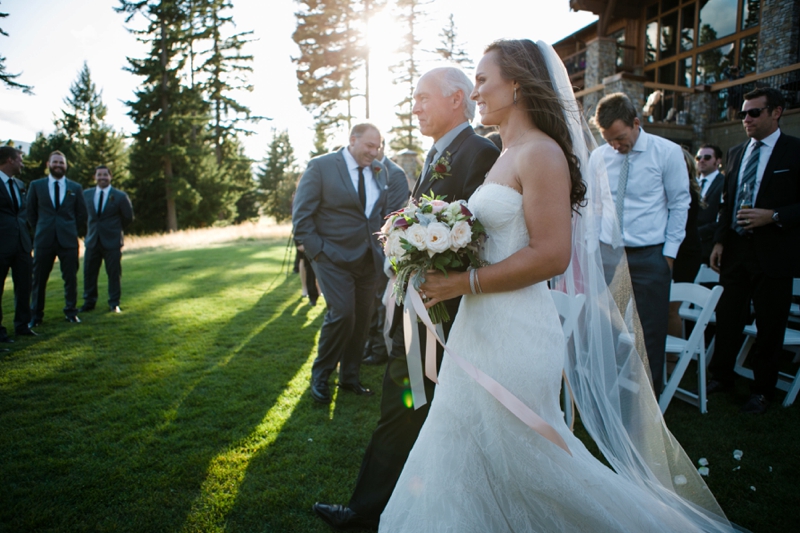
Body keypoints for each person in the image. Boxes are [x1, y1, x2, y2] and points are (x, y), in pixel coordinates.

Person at [379, 39, 736, 533]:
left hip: (515, 335)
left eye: (483, 80)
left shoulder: (542, 153)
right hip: (479, 328)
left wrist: (464, 280)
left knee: (532, 464)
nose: (476, 90)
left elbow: (552, 255)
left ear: (518, 84)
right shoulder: (506, 153)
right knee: (462, 449)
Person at [312, 67, 499, 530]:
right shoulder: (440, 153)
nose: (414, 107)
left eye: (422, 98)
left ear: (457, 99)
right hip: (417, 307)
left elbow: (481, 235)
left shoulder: (479, 153)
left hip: (444, 315)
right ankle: (402, 506)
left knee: (404, 407)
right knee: (411, 408)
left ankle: (365, 511)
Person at [708, 87, 800, 414]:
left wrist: (773, 216)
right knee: (728, 318)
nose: (746, 118)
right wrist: (719, 241)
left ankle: (762, 391)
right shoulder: (735, 153)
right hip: (735, 250)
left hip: (773, 253)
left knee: (769, 326)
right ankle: (721, 377)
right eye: (743, 113)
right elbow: (725, 203)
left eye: (754, 112)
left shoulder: (794, 151)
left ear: (776, 112)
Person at [591, 92, 690, 396]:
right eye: (609, 140)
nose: (615, 146)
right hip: (609, 252)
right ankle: (609, 393)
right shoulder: (600, 157)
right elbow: (595, 206)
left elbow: (679, 204)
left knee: (649, 332)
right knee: (606, 328)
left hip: (650, 255)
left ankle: (648, 401)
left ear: (636, 122)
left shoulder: (667, 152)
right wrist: (594, 247)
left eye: (620, 137)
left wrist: (668, 256)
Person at [292, 123, 388, 404]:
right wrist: (318, 252)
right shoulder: (321, 166)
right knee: (343, 314)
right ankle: (320, 376)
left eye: (378, 146)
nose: (374, 152)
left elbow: (376, 214)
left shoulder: (379, 171)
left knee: (361, 321)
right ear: (352, 140)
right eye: (369, 146)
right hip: (331, 258)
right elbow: (302, 217)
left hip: (368, 260)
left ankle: (349, 378)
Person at [362, 139, 410, 366]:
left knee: (381, 301)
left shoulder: (396, 173)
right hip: (363, 248)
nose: (369, 151)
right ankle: (369, 344)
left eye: (374, 146)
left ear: (382, 145)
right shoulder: (363, 170)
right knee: (369, 300)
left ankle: (380, 348)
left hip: (384, 247)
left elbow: (391, 214)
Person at [27, 151, 87, 326]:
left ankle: (71, 312)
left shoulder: (75, 188)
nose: (58, 165)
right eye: (55, 162)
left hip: (68, 240)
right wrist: (41, 228)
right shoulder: (36, 186)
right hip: (44, 239)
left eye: (62, 162)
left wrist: (70, 228)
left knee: (70, 278)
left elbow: (81, 213)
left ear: (66, 165)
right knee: (38, 279)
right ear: (48, 164)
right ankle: (36, 316)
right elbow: (30, 212)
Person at [80, 166, 134, 314]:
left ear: (110, 177)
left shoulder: (120, 196)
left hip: (112, 242)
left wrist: (114, 230)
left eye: (105, 175)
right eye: (99, 175)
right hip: (92, 241)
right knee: (89, 273)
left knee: (114, 274)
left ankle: (114, 303)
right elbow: (82, 215)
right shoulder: (86, 195)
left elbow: (128, 217)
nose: (102, 177)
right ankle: (89, 302)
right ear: (94, 177)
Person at [0, 146, 36, 343]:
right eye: (20, 159)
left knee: (24, 286)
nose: (22, 163)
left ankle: (23, 326)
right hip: (1, 244)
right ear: (9, 160)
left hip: (22, 244)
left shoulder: (20, 184)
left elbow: (22, 213)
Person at [696, 144, 725, 265]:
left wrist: (695, 232)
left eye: (707, 157)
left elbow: (722, 219)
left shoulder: (724, 183)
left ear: (718, 161)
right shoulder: (691, 182)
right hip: (686, 247)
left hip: (708, 248)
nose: (702, 160)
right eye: (698, 157)